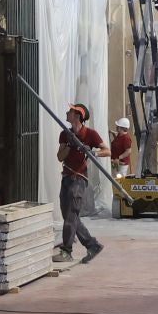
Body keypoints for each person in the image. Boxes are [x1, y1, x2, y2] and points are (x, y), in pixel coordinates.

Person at [54, 103, 108, 263]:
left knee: (71, 215)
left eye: (70, 111)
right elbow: (60, 157)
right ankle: (92, 245)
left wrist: (92, 152)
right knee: (69, 215)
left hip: (79, 179)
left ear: (78, 115)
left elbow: (107, 151)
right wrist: (71, 145)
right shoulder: (65, 134)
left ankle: (66, 251)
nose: (67, 113)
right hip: (66, 177)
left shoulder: (90, 134)